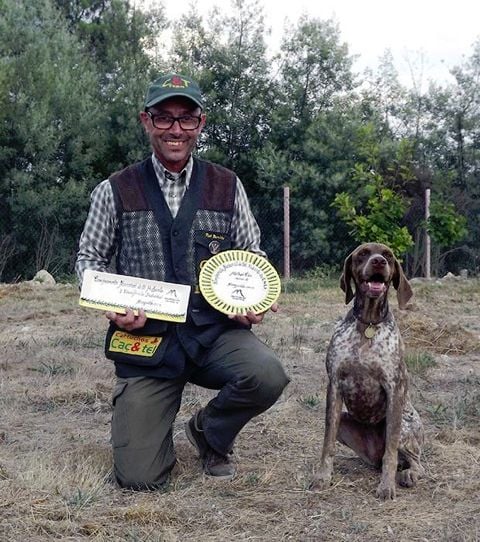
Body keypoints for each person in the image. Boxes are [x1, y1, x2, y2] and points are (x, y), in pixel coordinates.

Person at [75, 73, 289, 490]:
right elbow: (89, 259)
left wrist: (256, 298)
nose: (176, 129)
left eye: (186, 119)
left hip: (213, 332)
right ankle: (149, 437)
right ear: (146, 121)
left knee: (267, 374)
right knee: (139, 479)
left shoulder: (228, 185)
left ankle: (210, 433)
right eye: (164, 118)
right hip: (148, 340)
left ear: (200, 124)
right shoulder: (114, 189)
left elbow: (253, 254)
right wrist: (111, 307)